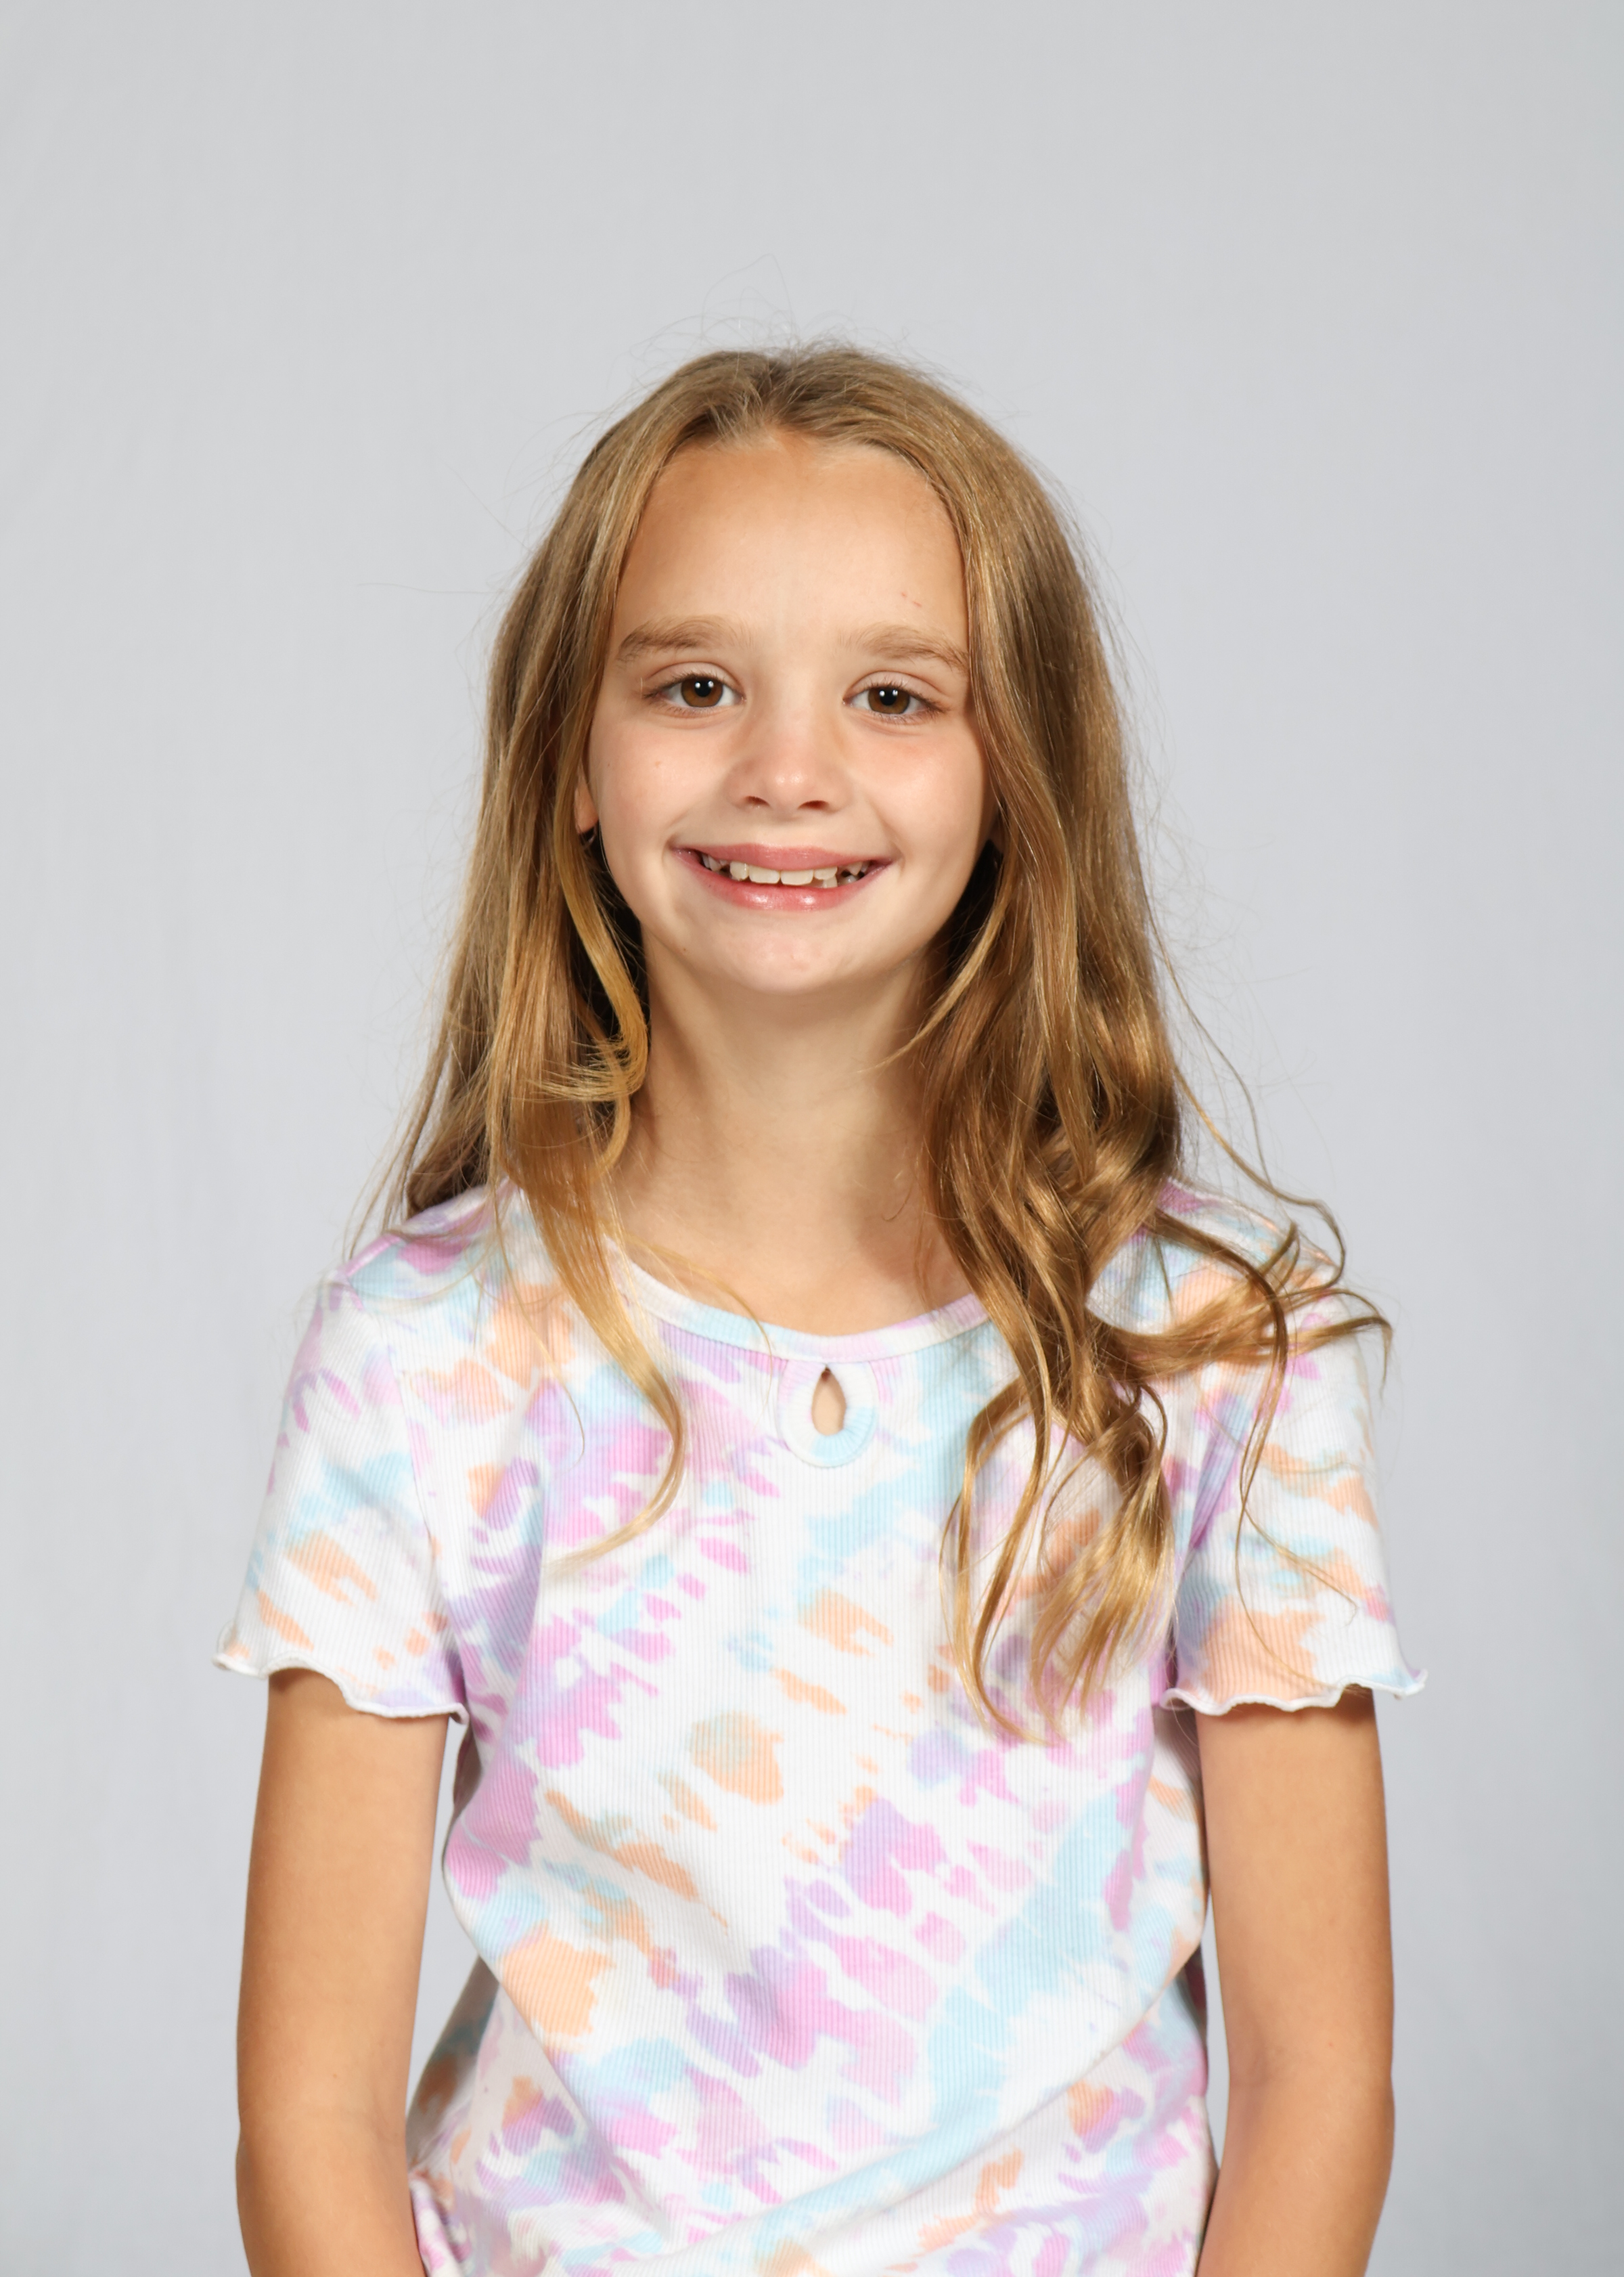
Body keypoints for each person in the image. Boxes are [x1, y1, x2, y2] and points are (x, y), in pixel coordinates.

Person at [217, 346, 1422, 2277]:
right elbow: (311, 2118)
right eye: (695, 687)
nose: (788, 769)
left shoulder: (1212, 1358)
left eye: (893, 695)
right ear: (574, 769)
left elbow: (1319, 2084)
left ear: (1016, 775)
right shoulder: (422, 1359)